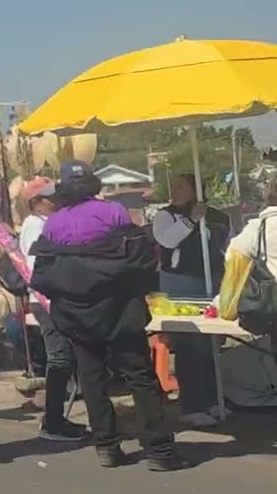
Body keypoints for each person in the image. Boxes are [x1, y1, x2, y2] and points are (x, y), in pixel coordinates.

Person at [30, 161, 185, 471]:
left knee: (92, 378)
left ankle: (107, 447)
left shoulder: (53, 224)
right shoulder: (113, 211)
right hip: (119, 308)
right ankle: (159, 451)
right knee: (139, 376)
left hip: (75, 313)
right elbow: (138, 258)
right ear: (93, 184)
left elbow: (44, 274)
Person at [151, 174, 232, 427]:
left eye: (181, 187)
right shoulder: (166, 215)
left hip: (212, 283)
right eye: (173, 187)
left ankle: (213, 399)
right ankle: (192, 404)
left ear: (198, 190)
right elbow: (166, 240)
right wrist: (190, 221)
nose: (175, 191)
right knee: (189, 344)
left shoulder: (220, 218)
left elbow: (227, 248)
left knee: (211, 343)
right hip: (179, 283)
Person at [17, 177, 89, 442]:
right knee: (58, 358)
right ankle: (53, 420)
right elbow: (39, 266)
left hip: (57, 297)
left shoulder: (50, 223)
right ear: (37, 203)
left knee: (64, 357)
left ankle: (57, 417)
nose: (56, 201)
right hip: (46, 299)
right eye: (50, 198)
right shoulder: (34, 226)